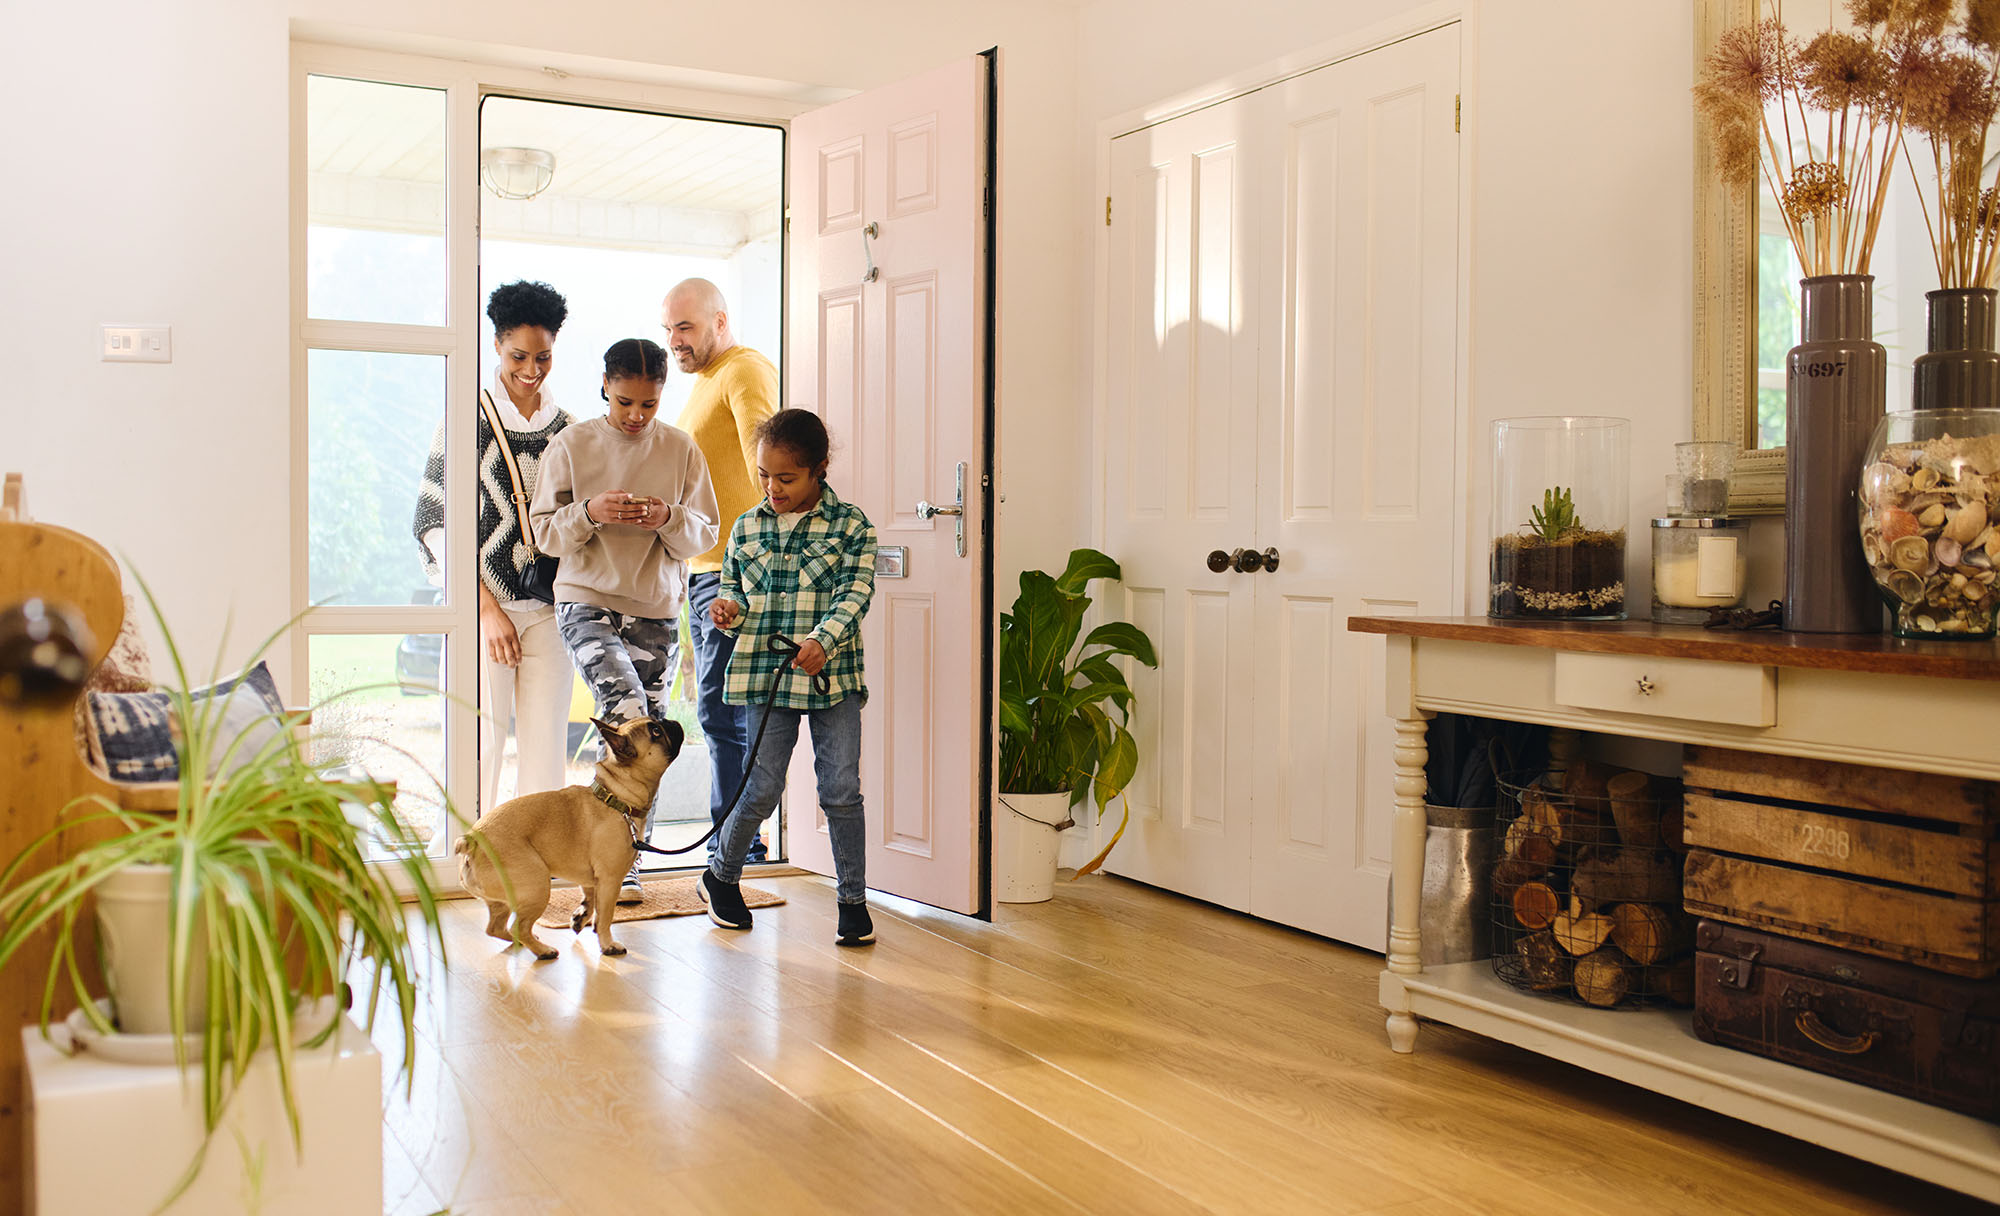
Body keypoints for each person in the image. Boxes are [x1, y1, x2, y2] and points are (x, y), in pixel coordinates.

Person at [530, 338, 719, 903]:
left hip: (656, 608)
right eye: (625, 403)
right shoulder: (573, 444)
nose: (637, 416)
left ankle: (620, 862)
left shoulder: (681, 450)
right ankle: (606, 859)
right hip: (585, 598)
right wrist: (589, 513)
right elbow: (542, 532)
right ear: (605, 388)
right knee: (630, 717)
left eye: (649, 405)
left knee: (650, 737)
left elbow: (704, 533)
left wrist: (666, 516)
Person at [698, 409, 879, 947]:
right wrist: (729, 609)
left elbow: (856, 592)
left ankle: (852, 901)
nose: (772, 489)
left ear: (818, 470)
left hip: (832, 675)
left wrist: (823, 640)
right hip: (764, 674)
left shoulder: (852, 527)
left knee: (841, 789)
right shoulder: (748, 526)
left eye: (785, 478)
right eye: (763, 476)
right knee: (763, 786)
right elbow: (735, 589)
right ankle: (721, 876)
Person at [413, 280, 575, 819]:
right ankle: (467, 864)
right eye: (518, 356)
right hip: (483, 611)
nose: (531, 370)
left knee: (546, 755)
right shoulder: (466, 419)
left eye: (543, 357)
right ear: (497, 347)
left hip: (549, 613)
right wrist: (483, 608)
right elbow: (434, 519)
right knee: (477, 747)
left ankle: (539, 870)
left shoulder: (568, 430)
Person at [664, 277, 779, 864]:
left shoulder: (743, 370)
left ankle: (738, 845)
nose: (674, 341)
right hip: (703, 569)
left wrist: (753, 563)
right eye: (669, 330)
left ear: (720, 321)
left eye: (685, 327)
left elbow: (769, 466)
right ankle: (735, 841)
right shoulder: (705, 382)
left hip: (733, 572)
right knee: (716, 709)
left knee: (725, 708)